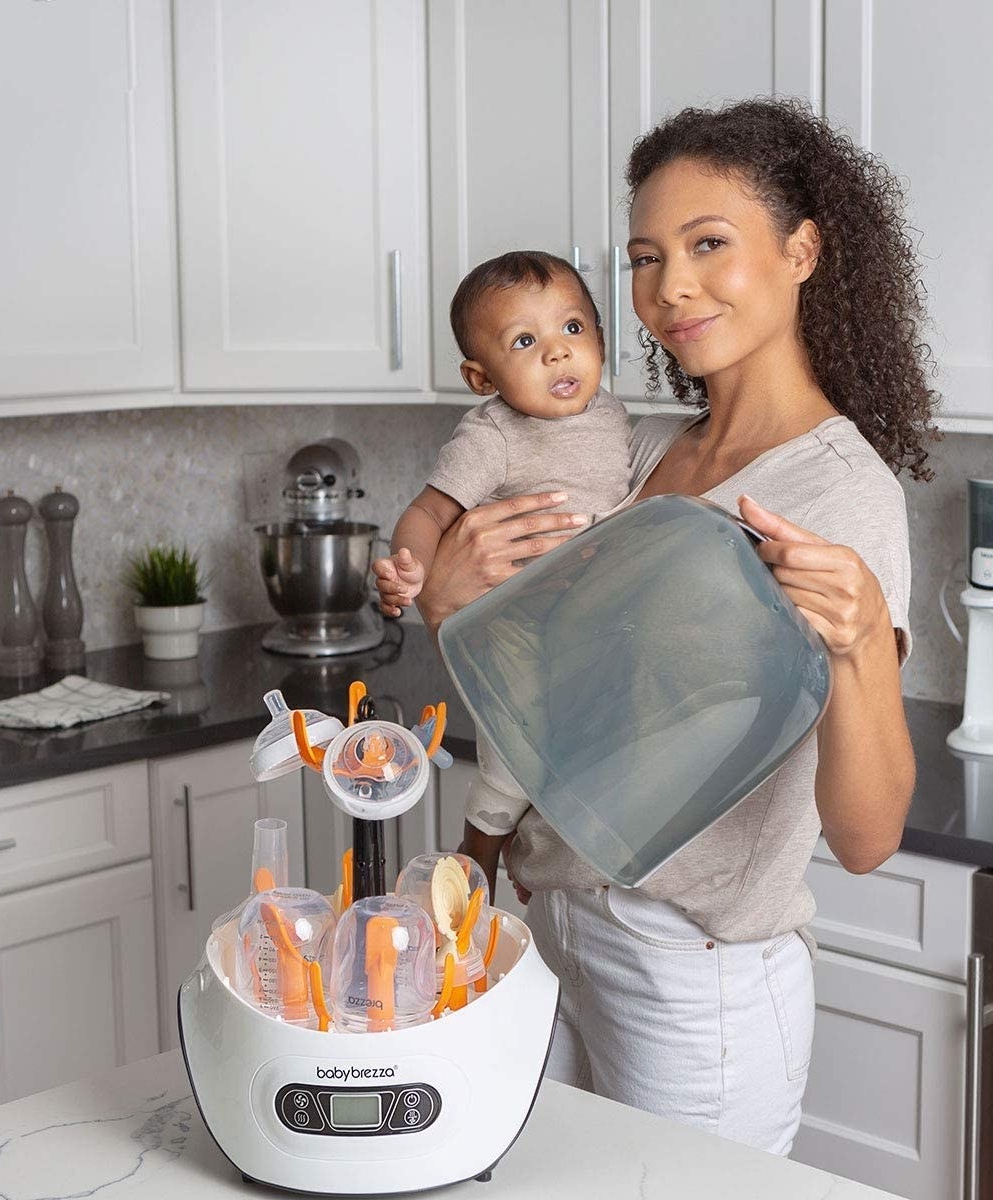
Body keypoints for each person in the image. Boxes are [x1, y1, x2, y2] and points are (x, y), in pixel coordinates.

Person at [414, 98, 936, 1153]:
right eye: (647, 258)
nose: (671, 288)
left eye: (709, 246)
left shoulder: (842, 498)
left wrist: (862, 636)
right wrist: (448, 597)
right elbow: (561, 695)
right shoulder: (642, 454)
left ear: (801, 252)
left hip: (692, 973)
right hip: (550, 922)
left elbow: (869, 836)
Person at [372, 251, 632, 890]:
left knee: (583, 746)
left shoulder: (615, 415)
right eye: (525, 341)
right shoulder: (492, 436)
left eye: (573, 329)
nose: (557, 353)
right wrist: (412, 569)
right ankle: (479, 855)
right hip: (514, 625)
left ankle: (530, 848)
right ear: (481, 377)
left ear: (600, 338)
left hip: (586, 629)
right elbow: (428, 513)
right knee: (517, 755)